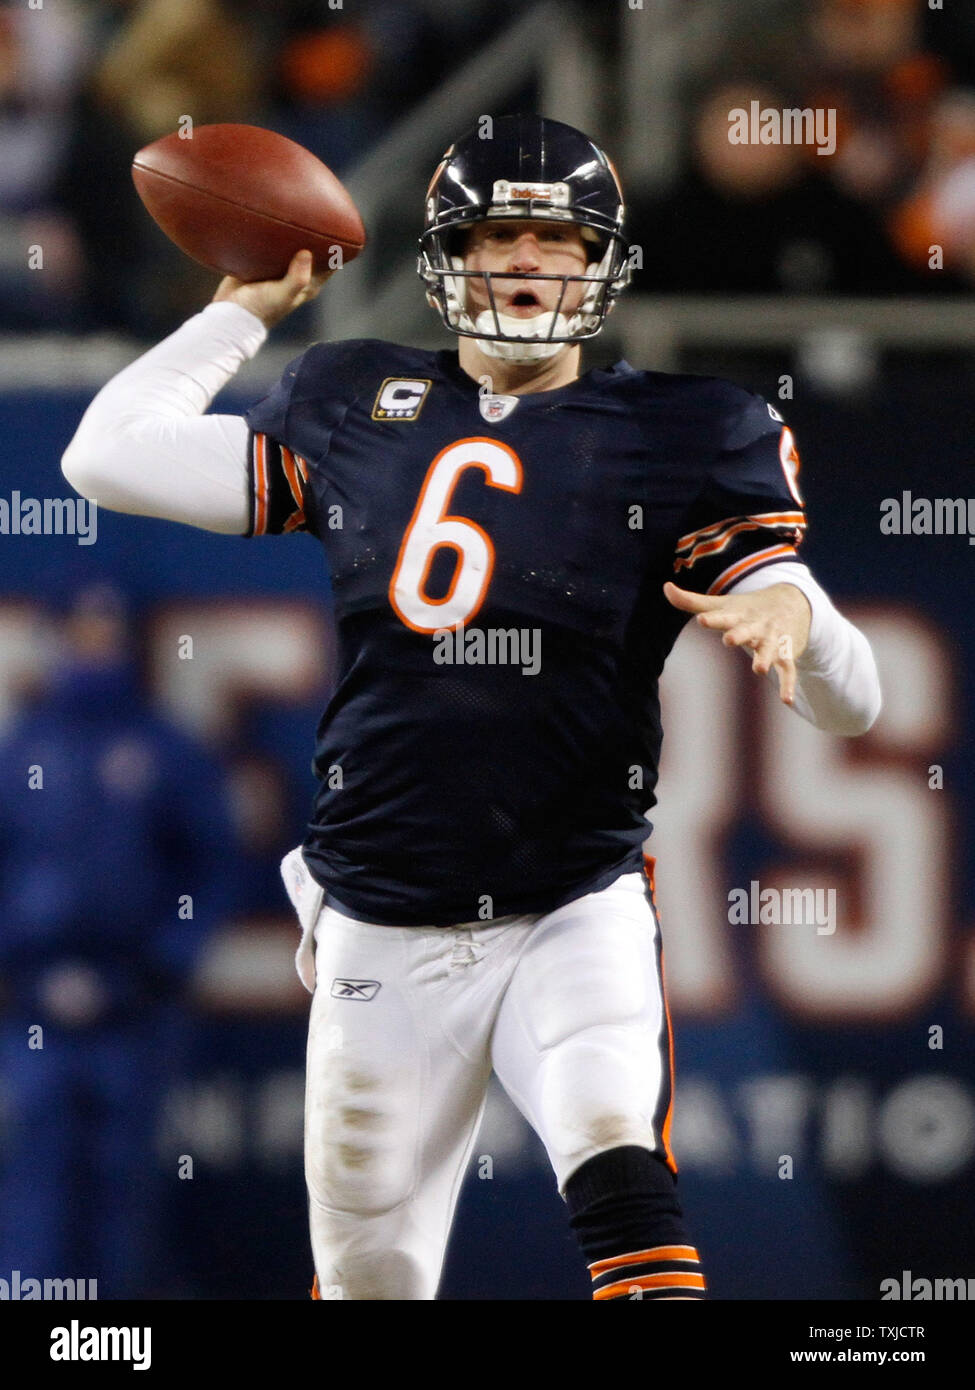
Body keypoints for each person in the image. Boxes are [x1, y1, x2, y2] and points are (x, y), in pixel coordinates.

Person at [61, 114, 881, 1301]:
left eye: (557, 237)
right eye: (500, 233)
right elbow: (107, 455)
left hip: (573, 898)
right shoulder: (352, 399)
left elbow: (852, 703)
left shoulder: (686, 432)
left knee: (622, 1170)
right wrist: (241, 306)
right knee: (368, 1283)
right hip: (380, 915)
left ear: (600, 262)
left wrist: (800, 626)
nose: (528, 262)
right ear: (449, 254)